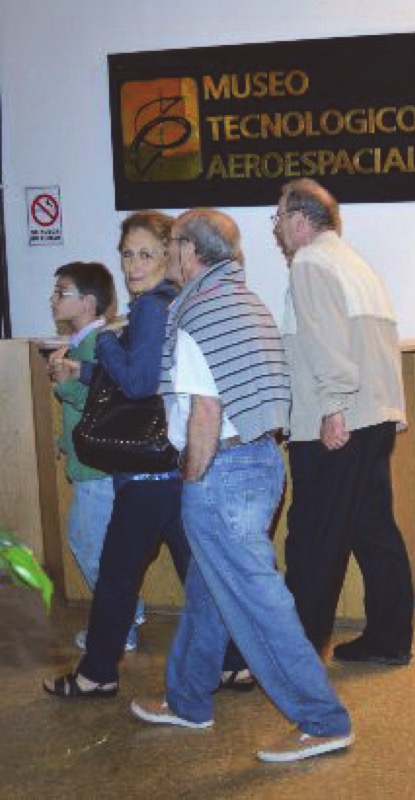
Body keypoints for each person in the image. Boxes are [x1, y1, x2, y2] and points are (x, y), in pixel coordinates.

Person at [129, 208, 353, 764]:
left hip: (220, 471)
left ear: (188, 251)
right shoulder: (245, 303)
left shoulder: (195, 312)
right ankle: (187, 700)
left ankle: (323, 719)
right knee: (210, 593)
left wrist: (191, 478)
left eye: (169, 244)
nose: (163, 256)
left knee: (259, 604)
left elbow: (204, 409)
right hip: (261, 462)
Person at [44, 211, 250, 698]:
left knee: (118, 575)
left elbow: (137, 385)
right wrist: (90, 373)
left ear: (168, 254)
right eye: (127, 254)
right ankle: (233, 663)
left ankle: (97, 672)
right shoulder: (174, 301)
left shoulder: (151, 308)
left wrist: (109, 345)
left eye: (146, 254)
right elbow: (151, 380)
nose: (133, 265)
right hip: (172, 466)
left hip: (150, 471)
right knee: (195, 568)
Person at [273, 178, 414, 665]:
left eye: (278, 217)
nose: (276, 229)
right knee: (373, 531)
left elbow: (323, 343)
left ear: (299, 220)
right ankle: (390, 638)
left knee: (314, 535)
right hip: (373, 416)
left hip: (334, 422)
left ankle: (298, 650)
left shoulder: (311, 263)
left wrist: (333, 408)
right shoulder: (358, 265)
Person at [48, 262, 143, 651]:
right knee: (98, 546)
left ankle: (121, 625)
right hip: (91, 465)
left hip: (97, 471)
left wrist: (66, 384)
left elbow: (98, 400)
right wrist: (64, 439)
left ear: (88, 302)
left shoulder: (96, 344)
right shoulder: (84, 343)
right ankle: (126, 619)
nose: (53, 299)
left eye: (62, 292)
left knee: (89, 544)